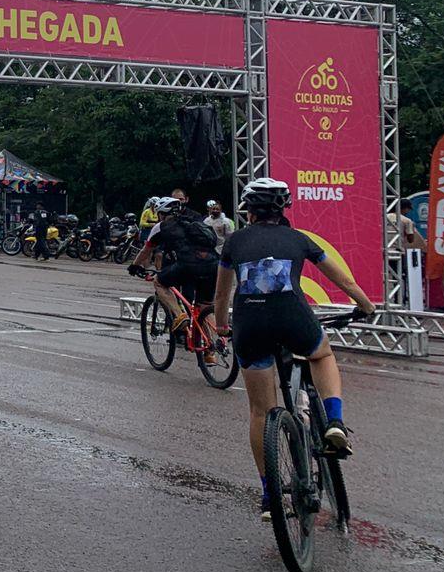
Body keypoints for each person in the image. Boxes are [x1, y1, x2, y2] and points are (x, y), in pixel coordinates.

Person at [213, 178, 377, 520]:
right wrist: (365, 306)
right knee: (322, 354)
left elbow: (220, 296)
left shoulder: (234, 242)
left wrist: (223, 329)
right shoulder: (298, 239)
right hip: (294, 320)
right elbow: (343, 281)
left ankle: (271, 495)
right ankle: (333, 421)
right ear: (283, 207)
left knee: (260, 412)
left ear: (248, 210)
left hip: (251, 326)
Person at [130, 196, 222, 363]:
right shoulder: (195, 222)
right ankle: (212, 349)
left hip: (187, 265)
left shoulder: (161, 227)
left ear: (161, 214)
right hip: (212, 265)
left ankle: (180, 316)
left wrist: (134, 266)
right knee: (205, 306)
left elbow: (146, 250)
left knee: (159, 282)